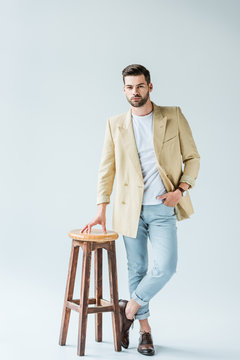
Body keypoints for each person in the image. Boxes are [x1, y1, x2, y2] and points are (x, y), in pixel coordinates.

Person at [81, 64, 200, 356]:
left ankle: (129, 309)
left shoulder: (172, 116)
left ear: (150, 87)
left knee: (166, 266)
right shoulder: (115, 124)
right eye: (130, 87)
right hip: (128, 210)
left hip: (162, 208)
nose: (135, 92)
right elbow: (106, 169)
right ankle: (144, 332)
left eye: (140, 86)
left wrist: (180, 191)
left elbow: (193, 158)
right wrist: (101, 209)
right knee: (138, 269)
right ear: (124, 90)